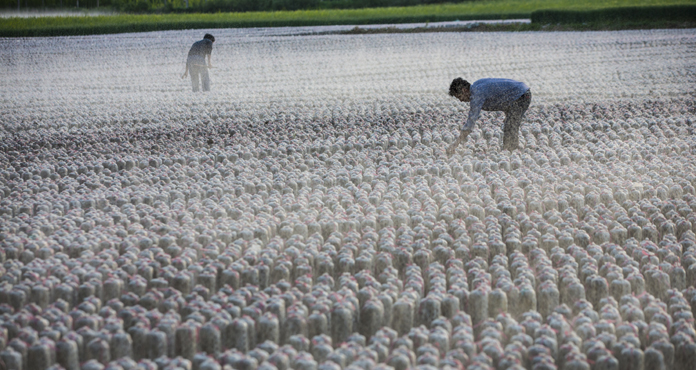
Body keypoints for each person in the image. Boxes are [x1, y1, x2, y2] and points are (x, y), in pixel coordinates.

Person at [447, 77, 531, 154]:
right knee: (510, 125)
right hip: (519, 93)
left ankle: (512, 153)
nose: (461, 100)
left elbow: (470, 123)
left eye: (459, 97)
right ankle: (510, 150)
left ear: (464, 90)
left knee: (510, 126)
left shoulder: (477, 95)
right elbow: (501, 95)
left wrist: (455, 144)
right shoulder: (476, 85)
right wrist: (507, 113)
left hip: (521, 95)